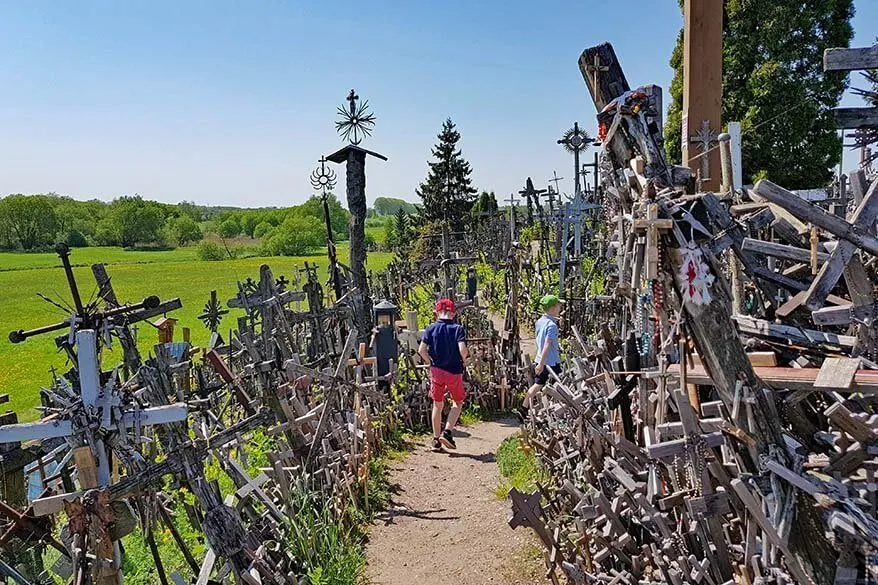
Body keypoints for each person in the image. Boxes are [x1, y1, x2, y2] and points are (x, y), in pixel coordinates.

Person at [418, 298, 469, 451]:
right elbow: (462, 350)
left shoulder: (430, 328)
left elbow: (421, 350)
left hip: (436, 371)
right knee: (457, 402)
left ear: (437, 312)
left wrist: (430, 362)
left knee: (437, 404)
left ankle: (435, 440)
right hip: (454, 371)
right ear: (453, 313)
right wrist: (465, 359)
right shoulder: (457, 329)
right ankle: (447, 432)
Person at [520, 294, 564, 420]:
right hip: (550, 361)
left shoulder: (539, 322)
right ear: (553, 308)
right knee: (557, 387)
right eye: (558, 305)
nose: (560, 308)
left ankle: (524, 407)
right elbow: (547, 344)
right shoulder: (552, 326)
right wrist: (542, 363)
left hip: (540, 358)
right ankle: (555, 411)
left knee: (538, 384)